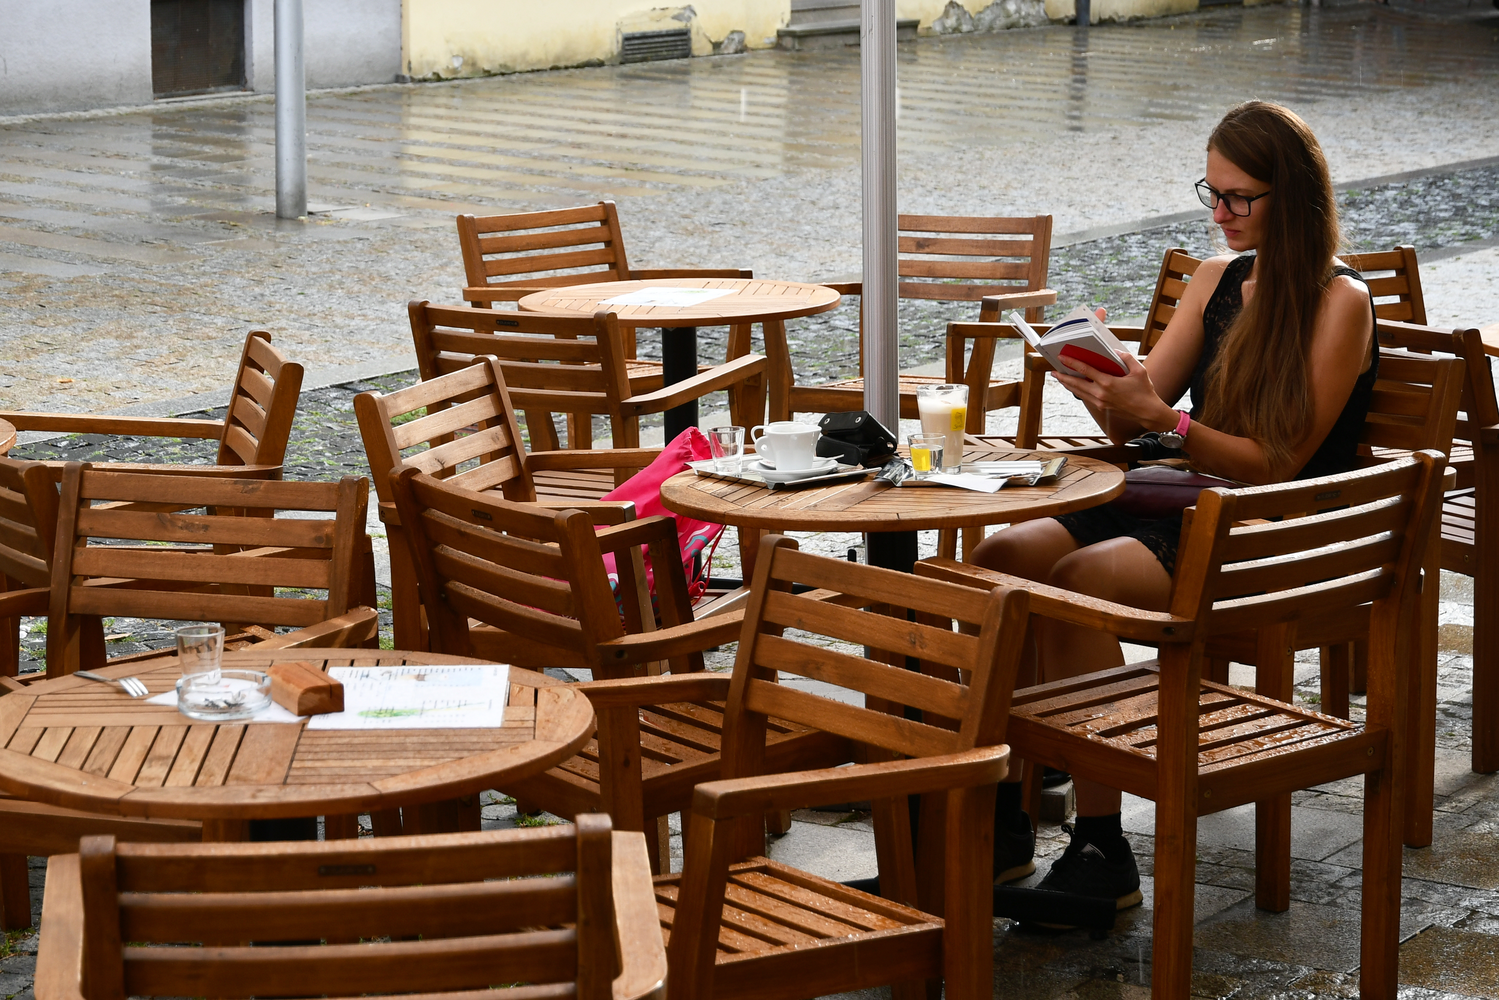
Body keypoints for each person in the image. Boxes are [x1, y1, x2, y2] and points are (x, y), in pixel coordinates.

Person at [975, 100, 1379, 910]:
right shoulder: (1215, 279)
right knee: (1000, 560)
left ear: (1293, 196)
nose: (1219, 214)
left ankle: (1101, 848)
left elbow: (1278, 464)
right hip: (1180, 493)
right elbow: (1141, 416)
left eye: (1238, 197)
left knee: (1081, 581)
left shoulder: (1339, 301)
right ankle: (1003, 817)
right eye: (1211, 193)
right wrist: (1099, 384)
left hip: (1273, 523)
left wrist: (1166, 420)